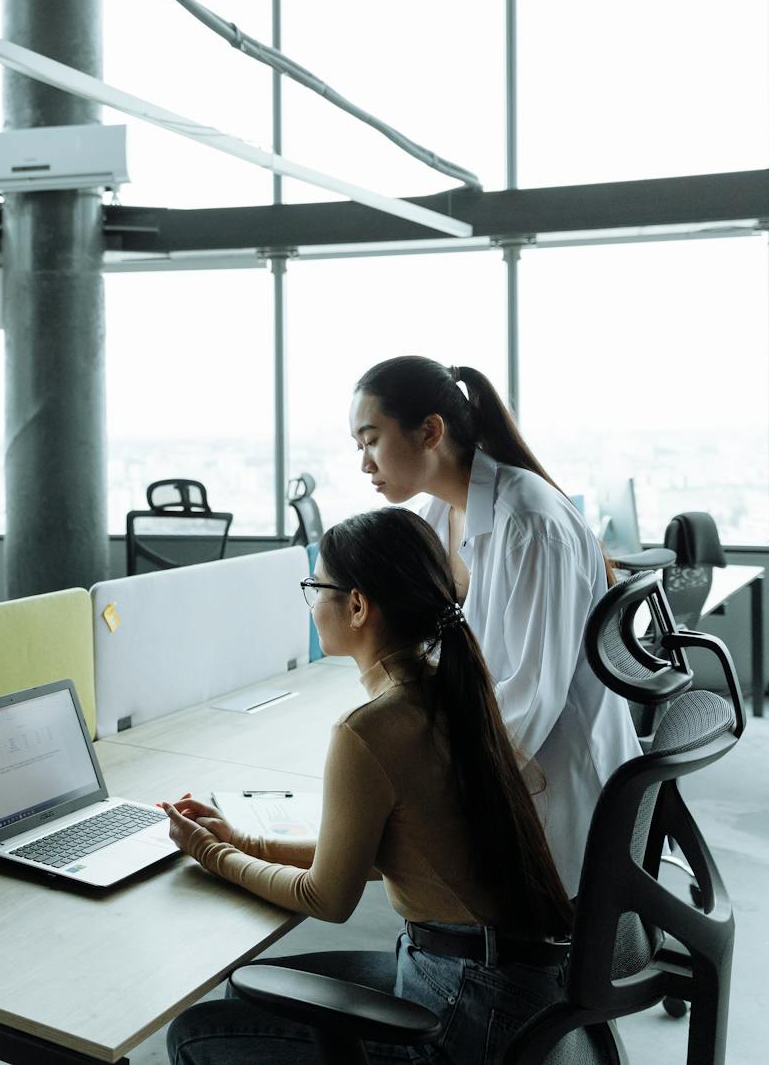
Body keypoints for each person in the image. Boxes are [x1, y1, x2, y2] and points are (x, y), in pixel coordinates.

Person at [162, 507, 575, 1064]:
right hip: (510, 986)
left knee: (195, 1033)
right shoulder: (449, 690)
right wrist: (244, 842)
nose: (312, 604)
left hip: (468, 1008)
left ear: (357, 605)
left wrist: (208, 852)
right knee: (250, 987)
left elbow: (325, 897)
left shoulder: (370, 728)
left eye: (316, 588)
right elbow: (388, 855)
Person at [348, 355, 637, 891]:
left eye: (370, 440)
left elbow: (530, 698)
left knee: (369, 837)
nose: (364, 463)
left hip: (554, 787)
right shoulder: (437, 514)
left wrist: (433, 786)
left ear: (430, 431)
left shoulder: (529, 525)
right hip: (502, 762)